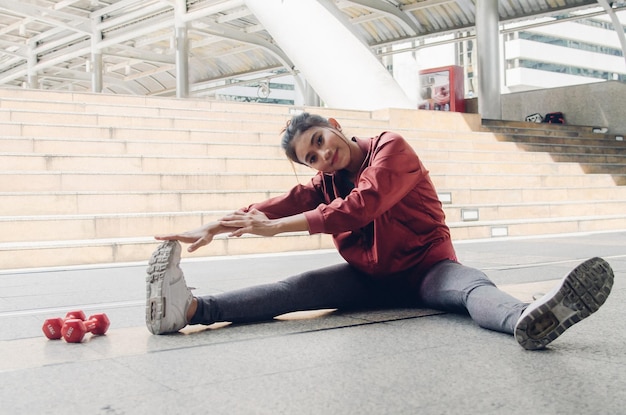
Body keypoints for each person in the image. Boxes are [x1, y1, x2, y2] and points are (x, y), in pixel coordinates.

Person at [145, 112, 614, 350]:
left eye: (319, 142)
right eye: (310, 157)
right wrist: (219, 223)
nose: (322, 157)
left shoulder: (391, 148)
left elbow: (360, 207)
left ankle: (529, 320)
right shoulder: (325, 180)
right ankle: (187, 310)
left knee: (473, 289)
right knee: (292, 290)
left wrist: (277, 230)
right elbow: (285, 202)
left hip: (428, 269)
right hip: (368, 278)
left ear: (333, 126)